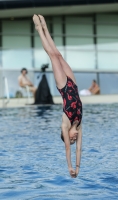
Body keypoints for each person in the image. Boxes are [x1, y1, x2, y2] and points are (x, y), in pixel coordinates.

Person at [33, 14, 82, 178]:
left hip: (63, 86)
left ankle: (40, 30)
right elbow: (78, 149)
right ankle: (46, 27)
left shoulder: (66, 123)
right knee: (59, 54)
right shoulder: (79, 125)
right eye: (74, 139)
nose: (74, 139)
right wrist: (78, 168)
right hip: (73, 84)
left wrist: (69, 167)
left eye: (71, 139)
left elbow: (68, 148)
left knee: (52, 56)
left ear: (66, 134)